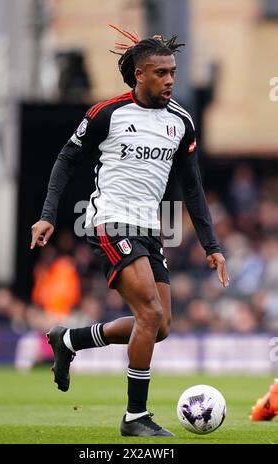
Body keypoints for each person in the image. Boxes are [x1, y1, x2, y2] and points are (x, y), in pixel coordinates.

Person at [30, 27, 229, 437]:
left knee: (161, 326)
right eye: (160, 73)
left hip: (150, 229)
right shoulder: (106, 113)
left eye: (172, 71)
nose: (170, 79)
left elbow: (191, 186)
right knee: (149, 313)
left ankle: (70, 340)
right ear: (139, 75)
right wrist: (49, 213)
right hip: (109, 220)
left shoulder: (181, 122)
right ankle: (135, 417)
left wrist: (211, 244)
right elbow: (66, 159)